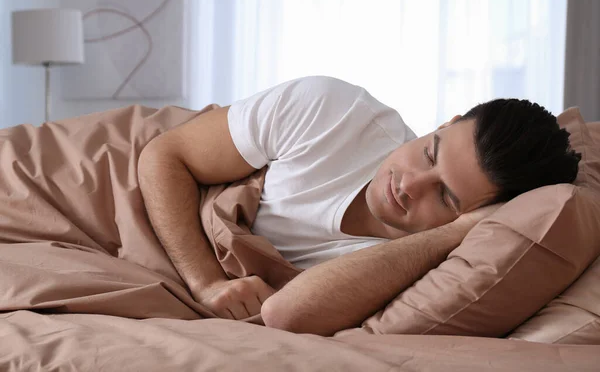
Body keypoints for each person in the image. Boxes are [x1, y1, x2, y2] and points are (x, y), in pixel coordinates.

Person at [137, 76, 580, 336]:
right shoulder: (332, 111)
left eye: (446, 196)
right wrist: (206, 282)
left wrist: (452, 234)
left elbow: (285, 314)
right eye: (429, 153)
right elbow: (163, 156)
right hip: (135, 182)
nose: (408, 185)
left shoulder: (432, 265)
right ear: (444, 124)